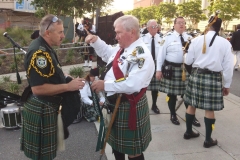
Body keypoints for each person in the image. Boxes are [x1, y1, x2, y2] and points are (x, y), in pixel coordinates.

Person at [85, 15, 154, 160]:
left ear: (132, 32)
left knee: (133, 150)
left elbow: (133, 84)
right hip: (115, 103)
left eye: (119, 33)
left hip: (128, 105)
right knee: (117, 145)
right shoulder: (122, 48)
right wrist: (96, 41)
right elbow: (108, 54)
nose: (116, 36)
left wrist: (105, 85)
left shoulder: (142, 54)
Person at [20, 14, 85, 160]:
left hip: (47, 106)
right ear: (48, 33)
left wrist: (64, 77)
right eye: (60, 32)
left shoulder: (44, 46)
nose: (63, 35)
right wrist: (68, 87)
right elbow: (38, 89)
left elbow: (49, 72)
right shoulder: (40, 53)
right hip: (43, 108)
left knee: (46, 155)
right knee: (44, 156)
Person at [183, 16, 234, 148]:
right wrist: (227, 84)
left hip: (196, 76)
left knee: (191, 105)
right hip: (212, 78)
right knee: (209, 108)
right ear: (220, 27)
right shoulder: (225, 43)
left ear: (208, 25)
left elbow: (188, 61)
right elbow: (228, 67)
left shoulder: (195, 40)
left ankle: (188, 132)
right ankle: (208, 139)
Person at [156, 17, 201, 127]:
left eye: (183, 23)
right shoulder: (167, 38)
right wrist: (158, 70)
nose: (181, 25)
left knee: (188, 94)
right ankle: (172, 114)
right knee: (171, 94)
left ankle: (190, 116)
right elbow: (160, 55)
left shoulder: (190, 38)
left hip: (186, 69)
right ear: (174, 24)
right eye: (179, 23)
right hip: (172, 69)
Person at [141, 19, 162, 114]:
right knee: (144, 86)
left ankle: (154, 105)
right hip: (146, 64)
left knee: (155, 87)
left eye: (156, 26)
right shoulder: (142, 38)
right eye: (153, 27)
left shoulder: (162, 38)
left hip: (157, 64)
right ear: (148, 28)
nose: (155, 28)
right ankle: (143, 105)